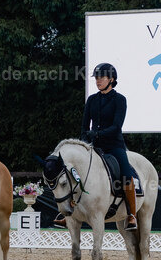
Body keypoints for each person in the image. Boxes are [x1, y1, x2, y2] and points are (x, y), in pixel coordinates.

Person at [56, 63, 135, 230]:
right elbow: (85, 126)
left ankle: (131, 214)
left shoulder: (120, 100)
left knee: (127, 175)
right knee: (73, 174)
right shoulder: (92, 99)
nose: (98, 81)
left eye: (102, 78)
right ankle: (68, 213)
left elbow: (116, 126)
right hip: (93, 146)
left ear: (111, 79)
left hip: (114, 145)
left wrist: (97, 134)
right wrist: (85, 142)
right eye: (97, 78)